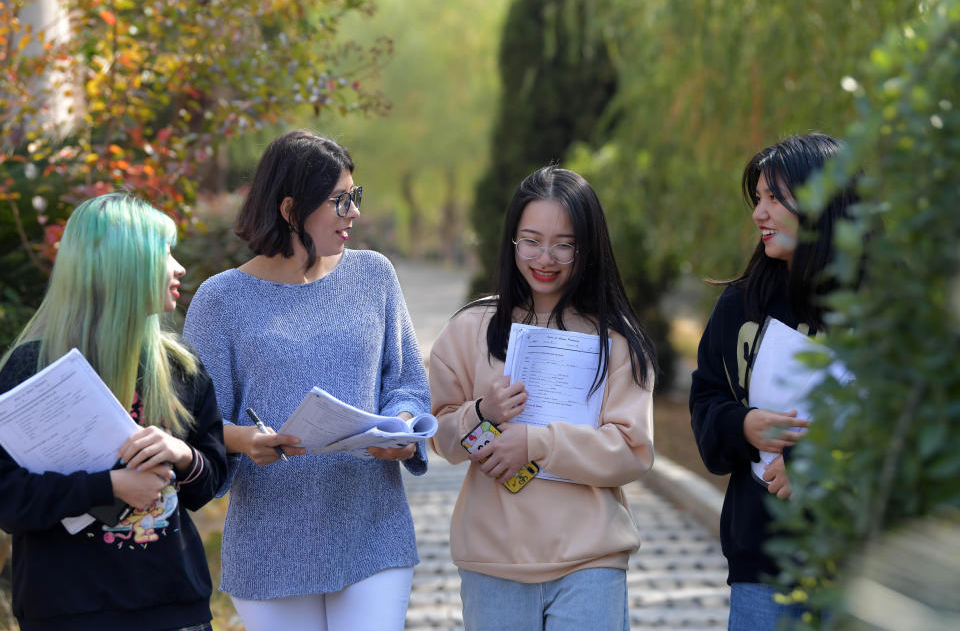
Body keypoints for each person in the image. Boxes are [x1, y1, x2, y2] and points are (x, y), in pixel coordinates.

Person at [182, 130, 430, 631]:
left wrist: (401, 428)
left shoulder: (375, 276)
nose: (354, 213)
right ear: (292, 208)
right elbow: (197, 421)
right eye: (341, 201)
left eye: (354, 197)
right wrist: (246, 439)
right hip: (270, 541)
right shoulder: (219, 300)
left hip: (371, 529)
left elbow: (406, 381)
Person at [429, 165, 657, 630]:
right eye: (531, 240)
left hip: (590, 560)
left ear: (587, 248)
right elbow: (441, 440)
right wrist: (481, 412)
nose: (545, 257)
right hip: (493, 562)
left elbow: (632, 452)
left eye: (564, 244)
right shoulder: (472, 328)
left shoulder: (615, 340)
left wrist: (537, 442)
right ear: (512, 241)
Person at [0, 193, 228, 631]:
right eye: (165, 253)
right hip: (69, 611)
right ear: (124, 266)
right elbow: (8, 500)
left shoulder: (181, 367)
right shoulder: (33, 369)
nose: (179, 267)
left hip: (175, 608)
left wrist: (182, 454)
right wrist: (109, 486)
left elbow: (209, 483)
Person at [689, 133, 858, 630]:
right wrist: (743, 426)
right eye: (757, 199)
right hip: (762, 564)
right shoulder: (741, 305)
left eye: (774, 198)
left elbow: (900, 424)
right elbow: (706, 399)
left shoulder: (878, 308)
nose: (759, 214)